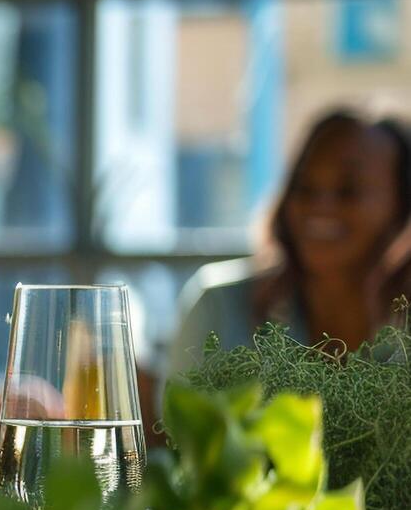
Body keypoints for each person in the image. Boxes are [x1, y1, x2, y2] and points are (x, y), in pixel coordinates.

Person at [171, 109, 411, 375]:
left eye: (348, 190)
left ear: (401, 206)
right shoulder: (217, 308)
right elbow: (175, 415)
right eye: (305, 186)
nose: (319, 206)